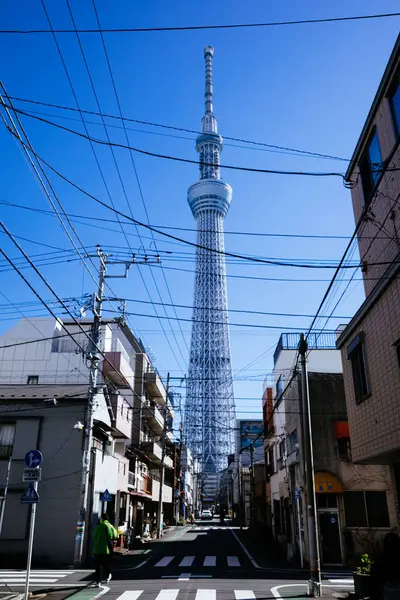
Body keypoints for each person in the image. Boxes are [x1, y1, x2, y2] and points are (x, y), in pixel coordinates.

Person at [93, 513, 118, 587]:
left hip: (97, 548)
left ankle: (98, 581)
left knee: (97, 566)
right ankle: (109, 574)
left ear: (102, 519)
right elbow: (114, 535)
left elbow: (94, 536)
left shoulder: (98, 526)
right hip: (106, 549)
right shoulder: (110, 526)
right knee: (105, 563)